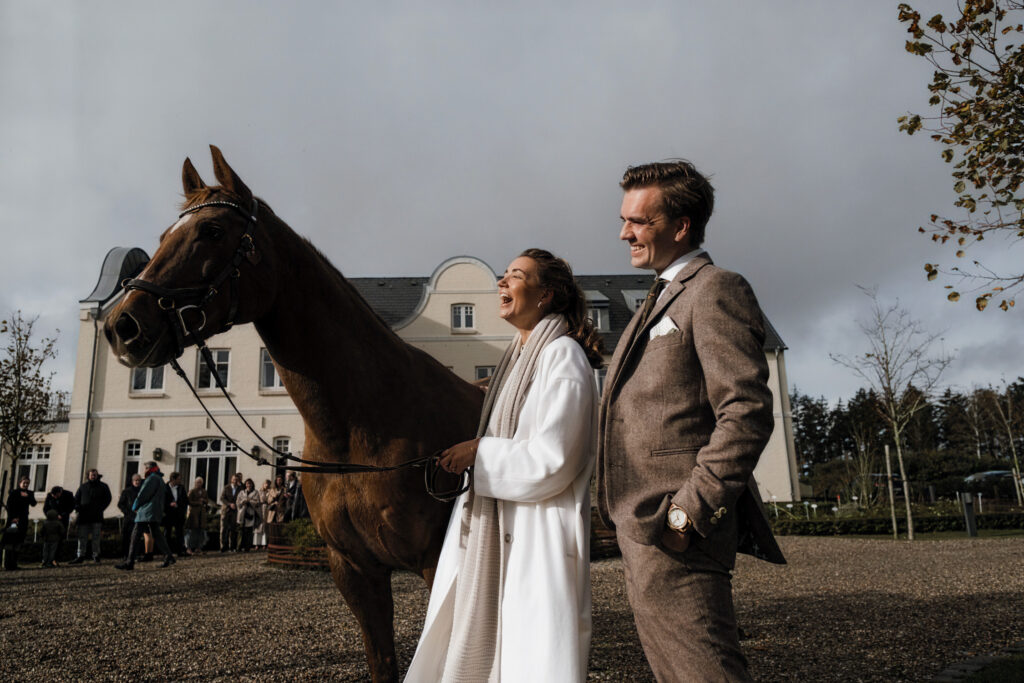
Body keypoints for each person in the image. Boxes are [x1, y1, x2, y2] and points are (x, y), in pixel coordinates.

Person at [597, 160, 786, 682]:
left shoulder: (716, 289)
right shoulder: (653, 301)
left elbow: (745, 411)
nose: (624, 232)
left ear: (681, 226)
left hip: (677, 529)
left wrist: (687, 513)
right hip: (641, 529)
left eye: (639, 221)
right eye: (624, 219)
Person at [405, 248, 601, 682]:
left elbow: (554, 459)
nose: (502, 282)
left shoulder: (562, 357)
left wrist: (479, 451)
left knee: (529, 661)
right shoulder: (515, 362)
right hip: (498, 529)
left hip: (537, 538)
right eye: (505, 274)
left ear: (546, 295)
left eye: (516, 275)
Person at [116, 461, 175, 570]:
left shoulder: (152, 479)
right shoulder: (160, 479)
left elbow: (143, 494)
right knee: (157, 534)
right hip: (155, 510)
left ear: (149, 468)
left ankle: (130, 562)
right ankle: (169, 556)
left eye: (145, 468)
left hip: (147, 511)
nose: (144, 471)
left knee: (135, 534)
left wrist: (135, 506)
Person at [71, 469, 111, 564]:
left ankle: (96, 555)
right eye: (92, 475)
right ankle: (80, 555)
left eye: (95, 475)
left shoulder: (103, 486)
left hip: (96, 516)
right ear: (88, 476)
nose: (93, 476)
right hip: (84, 516)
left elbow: (108, 499)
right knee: (82, 537)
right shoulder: (83, 487)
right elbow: (76, 499)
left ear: (97, 475)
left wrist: (101, 508)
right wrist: (77, 508)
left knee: (96, 537)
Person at [3, 476, 37, 570]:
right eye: (24, 483)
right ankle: (7, 564)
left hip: (23, 519)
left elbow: (34, 503)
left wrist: (28, 497)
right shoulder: (14, 492)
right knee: (10, 542)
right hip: (13, 519)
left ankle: (14, 563)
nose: (26, 485)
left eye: (27, 483)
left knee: (19, 541)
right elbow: (10, 505)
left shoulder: (29, 493)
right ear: (20, 483)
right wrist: (13, 517)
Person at [117, 474, 142, 560]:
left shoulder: (143, 491)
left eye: (139, 480)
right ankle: (125, 554)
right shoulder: (126, 491)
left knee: (137, 537)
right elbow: (120, 504)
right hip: (128, 518)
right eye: (136, 480)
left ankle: (136, 554)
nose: (137, 482)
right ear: (132, 481)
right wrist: (128, 512)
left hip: (139, 517)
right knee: (126, 537)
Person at [163, 471, 187, 556]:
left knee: (179, 533)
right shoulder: (164, 488)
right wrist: (169, 504)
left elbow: (185, 500)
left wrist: (181, 509)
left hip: (178, 514)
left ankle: (180, 551)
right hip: (168, 514)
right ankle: (166, 552)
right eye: (179, 479)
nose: (180, 481)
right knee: (167, 533)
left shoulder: (181, 488)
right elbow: (162, 501)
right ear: (173, 479)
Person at [185, 477, 210, 555]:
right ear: (195, 483)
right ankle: (188, 548)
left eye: (200, 482)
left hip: (201, 514)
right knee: (191, 531)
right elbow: (188, 501)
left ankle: (198, 547)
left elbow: (207, 500)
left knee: (200, 531)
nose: (199, 484)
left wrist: (204, 501)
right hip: (193, 513)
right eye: (197, 482)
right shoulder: (192, 491)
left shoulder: (204, 491)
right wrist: (197, 503)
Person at [235, 478, 261, 552]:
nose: (248, 485)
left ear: (252, 484)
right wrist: (243, 502)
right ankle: (238, 547)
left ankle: (247, 547)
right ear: (245, 485)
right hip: (242, 513)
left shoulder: (255, 493)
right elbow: (238, 502)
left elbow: (257, 502)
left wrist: (249, 501)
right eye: (247, 484)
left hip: (250, 513)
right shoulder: (241, 492)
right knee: (240, 531)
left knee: (249, 532)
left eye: (250, 484)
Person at [219, 473, 242, 551]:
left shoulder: (240, 489)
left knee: (233, 529)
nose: (235, 481)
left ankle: (232, 546)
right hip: (226, 510)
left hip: (235, 511)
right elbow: (222, 498)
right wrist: (229, 504)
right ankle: (223, 546)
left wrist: (236, 504)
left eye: (236, 479)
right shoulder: (226, 487)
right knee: (224, 529)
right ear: (231, 480)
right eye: (234, 479)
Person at [252, 479, 271, 550]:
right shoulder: (259, 492)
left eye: (268, 484)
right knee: (259, 526)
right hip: (260, 509)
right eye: (266, 483)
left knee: (265, 527)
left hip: (267, 509)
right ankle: (257, 544)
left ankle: (264, 544)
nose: (267, 485)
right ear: (263, 484)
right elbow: (256, 500)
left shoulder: (270, 492)